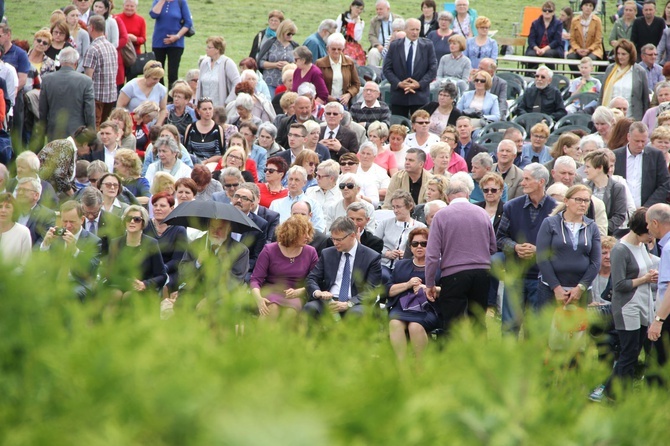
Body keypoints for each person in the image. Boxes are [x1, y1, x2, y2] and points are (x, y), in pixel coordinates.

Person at [593, 208, 657, 400]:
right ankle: (619, 394)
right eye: (650, 233)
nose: (652, 237)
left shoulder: (641, 245)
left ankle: (609, 392)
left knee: (633, 352)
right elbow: (619, 284)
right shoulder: (621, 249)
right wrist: (645, 279)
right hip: (627, 306)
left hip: (643, 305)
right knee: (628, 354)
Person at [425, 176, 496, 332]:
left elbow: (432, 255)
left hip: (454, 274)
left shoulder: (441, 216)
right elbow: (493, 247)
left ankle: (454, 356)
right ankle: (479, 355)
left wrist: (430, 283)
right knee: (478, 322)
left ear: (448, 196)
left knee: (452, 323)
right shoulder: (482, 213)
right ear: (467, 195)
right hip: (481, 273)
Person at [497, 163, 557, 335]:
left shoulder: (556, 209)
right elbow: (500, 238)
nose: (522, 183)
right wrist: (515, 247)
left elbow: (561, 244)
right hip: (515, 275)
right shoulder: (511, 207)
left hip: (541, 278)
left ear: (541, 182)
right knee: (509, 326)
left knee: (535, 329)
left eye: (527, 179)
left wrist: (539, 250)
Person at [537, 184, 601, 306]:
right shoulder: (550, 223)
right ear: (566, 201)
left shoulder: (592, 226)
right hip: (550, 289)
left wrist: (581, 287)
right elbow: (542, 257)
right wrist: (556, 288)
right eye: (578, 199)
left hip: (580, 291)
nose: (583, 204)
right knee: (546, 325)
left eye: (586, 200)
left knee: (578, 325)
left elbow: (596, 262)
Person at [305, 217, 382, 318]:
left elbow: (371, 290)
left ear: (352, 235)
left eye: (339, 239)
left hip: (354, 303)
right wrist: (317, 292)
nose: (335, 243)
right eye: (333, 239)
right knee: (310, 308)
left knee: (356, 314)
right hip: (329, 300)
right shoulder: (328, 253)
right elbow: (311, 278)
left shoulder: (371, 257)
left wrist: (349, 304)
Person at [387, 226, 440, 359]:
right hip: (402, 307)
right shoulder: (401, 265)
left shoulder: (439, 266)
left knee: (415, 326)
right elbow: (388, 290)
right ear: (410, 247)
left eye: (424, 243)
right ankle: (402, 365)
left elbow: (448, 290)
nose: (419, 247)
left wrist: (427, 288)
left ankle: (419, 365)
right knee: (394, 323)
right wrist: (407, 284)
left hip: (428, 309)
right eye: (415, 244)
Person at [251, 214, 319, 317]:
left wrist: (301, 291)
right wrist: (259, 299)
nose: (308, 237)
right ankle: (261, 333)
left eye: (308, 233)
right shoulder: (269, 250)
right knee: (272, 308)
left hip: (295, 294)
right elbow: (255, 279)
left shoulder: (311, 252)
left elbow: (315, 280)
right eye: (303, 233)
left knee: (290, 313)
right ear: (292, 234)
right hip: (272, 291)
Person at [106, 205, 167, 298]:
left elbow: (162, 276)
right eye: (128, 218)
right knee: (115, 295)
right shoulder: (116, 243)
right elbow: (109, 273)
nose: (132, 222)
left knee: (129, 296)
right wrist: (127, 281)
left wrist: (144, 284)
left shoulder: (151, 244)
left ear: (143, 223)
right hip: (120, 285)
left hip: (143, 287)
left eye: (137, 219)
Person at [382, 18, 437, 117]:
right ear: (405, 29)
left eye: (417, 29)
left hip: (420, 96)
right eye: (412, 29)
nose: (415, 32)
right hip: (399, 96)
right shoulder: (395, 46)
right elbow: (387, 68)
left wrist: (419, 84)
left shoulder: (427, 45)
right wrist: (399, 83)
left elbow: (432, 69)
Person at [38, 47, 95, 141]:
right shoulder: (86, 81)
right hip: (78, 131)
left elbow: (42, 109)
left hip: (54, 130)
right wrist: (91, 132)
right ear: (76, 63)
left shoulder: (47, 80)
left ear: (60, 61)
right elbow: (89, 110)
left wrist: (43, 130)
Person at [613, 121, 670, 207]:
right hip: (621, 210)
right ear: (628, 137)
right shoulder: (616, 156)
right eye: (636, 141)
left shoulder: (656, 156)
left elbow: (664, 184)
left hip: (648, 210)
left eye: (643, 141)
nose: (640, 145)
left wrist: (646, 208)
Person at [376, 189, 426, 283]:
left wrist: (407, 255)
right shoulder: (384, 224)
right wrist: (386, 253)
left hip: (408, 267)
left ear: (410, 206)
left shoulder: (420, 227)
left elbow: (424, 250)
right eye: (393, 207)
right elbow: (373, 246)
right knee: (383, 276)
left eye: (398, 207)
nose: (395, 210)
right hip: (385, 265)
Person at [143, 191, 187, 296]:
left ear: (172, 208)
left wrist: (161, 268)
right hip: (147, 269)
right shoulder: (145, 225)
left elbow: (177, 260)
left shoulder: (179, 229)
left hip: (170, 271)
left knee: (164, 286)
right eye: (155, 205)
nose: (158, 208)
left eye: (162, 206)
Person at [600, 39, 649, 121]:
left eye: (623, 54)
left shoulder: (640, 71)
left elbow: (645, 100)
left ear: (630, 55)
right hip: (611, 118)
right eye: (618, 54)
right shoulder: (610, 69)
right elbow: (602, 94)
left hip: (632, 118)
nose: (620, 57)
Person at [82, 15, 118, 128]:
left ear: (91, 28)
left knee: (95, 128)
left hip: (96, 97)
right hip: (111, 96)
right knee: (106, 128)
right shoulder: (111, 47)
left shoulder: (93, 49)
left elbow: (88, 77)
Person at [149, 0, 192, 89]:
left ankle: (172, 97)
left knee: (173, 73)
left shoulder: (181, 2)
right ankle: (159, 95)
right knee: (157, 71)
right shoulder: (157, 1)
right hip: (158, 43)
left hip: (176, 43)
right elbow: (153, 14)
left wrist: (177, 36)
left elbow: (188, 23)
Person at [584, 150, 628, 235]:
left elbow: (619, 216)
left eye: (588, 167)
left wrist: (600, 229)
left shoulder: (617, 188)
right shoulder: (584, 187)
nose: (585, 171)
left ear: (599, 168)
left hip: (608, 236)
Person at [269, 165, 325, 232]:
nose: (293, 183)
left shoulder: (314, 204)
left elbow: (319, 229)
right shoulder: (275, 204)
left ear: (304, 183)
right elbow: (271, 229)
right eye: (290, 179)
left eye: (297, 180)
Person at [315, 33, 361, 108]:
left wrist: (348, 94)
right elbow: (315, 84)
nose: (336, 51)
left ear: (343, 49)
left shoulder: (349, 63)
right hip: (324, 103)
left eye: (339, 49)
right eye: (333, 49)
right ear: (328, 49)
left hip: (343, 103)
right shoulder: (319, 63)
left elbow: (356, 84)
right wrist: (327, 97)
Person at [117, 60, 167, 124]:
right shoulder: (131, 86)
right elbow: (120, 106)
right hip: (131, 125)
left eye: (159, 79)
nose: (157, 81)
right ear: (147, 75)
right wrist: (127, 122)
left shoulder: (161, 89)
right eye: (154, 79)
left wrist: (158, 125)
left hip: (151, 128)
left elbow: (163, 109)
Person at [258, 19, 299, 97]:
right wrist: (275, 65)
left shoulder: (294, 46)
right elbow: (260, 62)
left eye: (293, 34)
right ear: (282, 32)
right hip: (271, 82)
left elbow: (300, 63)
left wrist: (289, 65)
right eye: (289, 34)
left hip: (288, 84)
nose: (291, 36)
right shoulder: (270, 44)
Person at [196, 36, 240, 107]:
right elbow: (199, 85)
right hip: (205, 108)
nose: (206, 49)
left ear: (217, 49)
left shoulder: (227, 63)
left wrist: (228, 102)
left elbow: (237, 83)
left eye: (209, 47)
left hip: (220, 109)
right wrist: (197, 103)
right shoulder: (204, 63)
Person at [183, 98, 224, 162]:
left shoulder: (218, 129)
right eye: (204, 109)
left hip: (212, 163)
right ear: (198, 111)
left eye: (210, 109)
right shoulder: (191, 128)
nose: (208, 112)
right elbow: (187, 151)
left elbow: (220, 154)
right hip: (194, 162)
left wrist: (206, 162)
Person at [367, 0, 404, 67]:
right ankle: (372, 74)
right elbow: (371, 35)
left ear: (388, 9)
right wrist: (378, 45)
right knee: (373, 53)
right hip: (379, 47)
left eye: (381, 9)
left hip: (395, 47)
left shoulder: (398, 19)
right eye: (377, 9)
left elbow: (403, 34)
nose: (378, 11)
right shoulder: (374, 21)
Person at [0, 193, 31, 268]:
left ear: (14, 210)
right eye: (0, 206)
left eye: (7, 207)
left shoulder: (23, 232)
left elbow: (24, 263)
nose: (3, 210)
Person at [336, 0, 366, 66]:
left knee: (357, 57)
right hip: (340, 42)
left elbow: (357, 38)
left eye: (361, 9)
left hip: (353, 45)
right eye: (357, 8)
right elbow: (336, 32)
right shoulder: (342, 17)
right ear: (351, 7)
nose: (359, 11)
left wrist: (358, 23)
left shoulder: (361, 22)